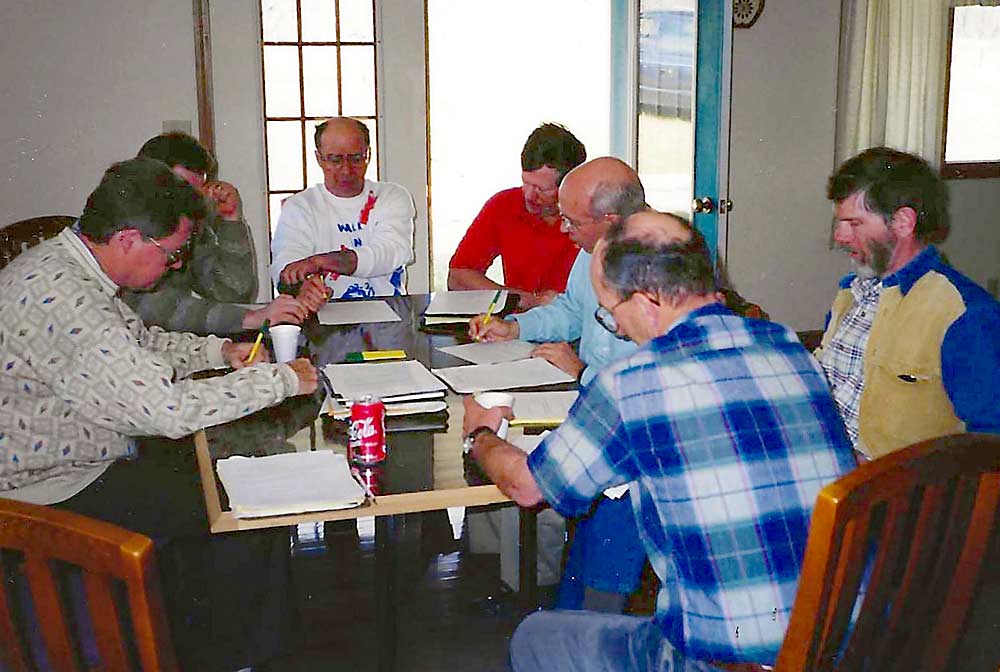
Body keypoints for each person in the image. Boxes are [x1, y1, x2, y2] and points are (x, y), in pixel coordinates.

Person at [464, 210, 856, 671]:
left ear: (647, 302)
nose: (621, 330)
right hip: (846, 642)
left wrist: (480, 433)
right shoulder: (787, 346)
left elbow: (529, 487)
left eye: (612, 316)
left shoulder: (631, 381)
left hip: (724, 661)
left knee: (536, 636)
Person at [0, 157, 319, 670]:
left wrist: (219, 354)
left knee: (213, 485)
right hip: (42, 493)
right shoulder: (67, 300)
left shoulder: (69, 266)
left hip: (75, 458)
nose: (173, 266)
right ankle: (238, 658)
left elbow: (138, 341)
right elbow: (167, 411)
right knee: (246, 510)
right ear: (128, 239)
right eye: (171, 254)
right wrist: (281, 379)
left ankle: (192, 639)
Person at [470, 156, 647, 612]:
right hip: (590, 402)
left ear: (609, 221)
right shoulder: (594, 254)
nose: (563, 228)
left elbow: (640, 386)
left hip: (625, 444)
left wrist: (580, 372)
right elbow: (570, 309)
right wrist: (516, 326)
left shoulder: (653, 270)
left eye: (571, 220)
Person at [815, 146, 1000, 461]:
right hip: (824, 457)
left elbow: (990, 443)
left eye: (854, 223)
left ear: (902, 222)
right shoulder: (852, 293)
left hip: (888, 494)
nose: (840, 237)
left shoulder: (965, 313)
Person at [270, 117, 416, 299]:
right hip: (321, 316)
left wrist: (319, 262)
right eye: (335, 160)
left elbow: (391, 252)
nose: (346, 170)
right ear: (319, 158)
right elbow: (285, 265)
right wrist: (301, 285)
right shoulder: (299, 207)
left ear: (368, 155)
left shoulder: (392, 196)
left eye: (355, 159)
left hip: (389, 316)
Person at [448, 123, 586, 310]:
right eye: (526, 182)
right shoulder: (504, 205)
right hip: (518, 324)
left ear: (568, 186)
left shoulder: (590, 219)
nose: (529, 195)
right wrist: (518, 299)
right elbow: (458, 277)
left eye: (541, 189)